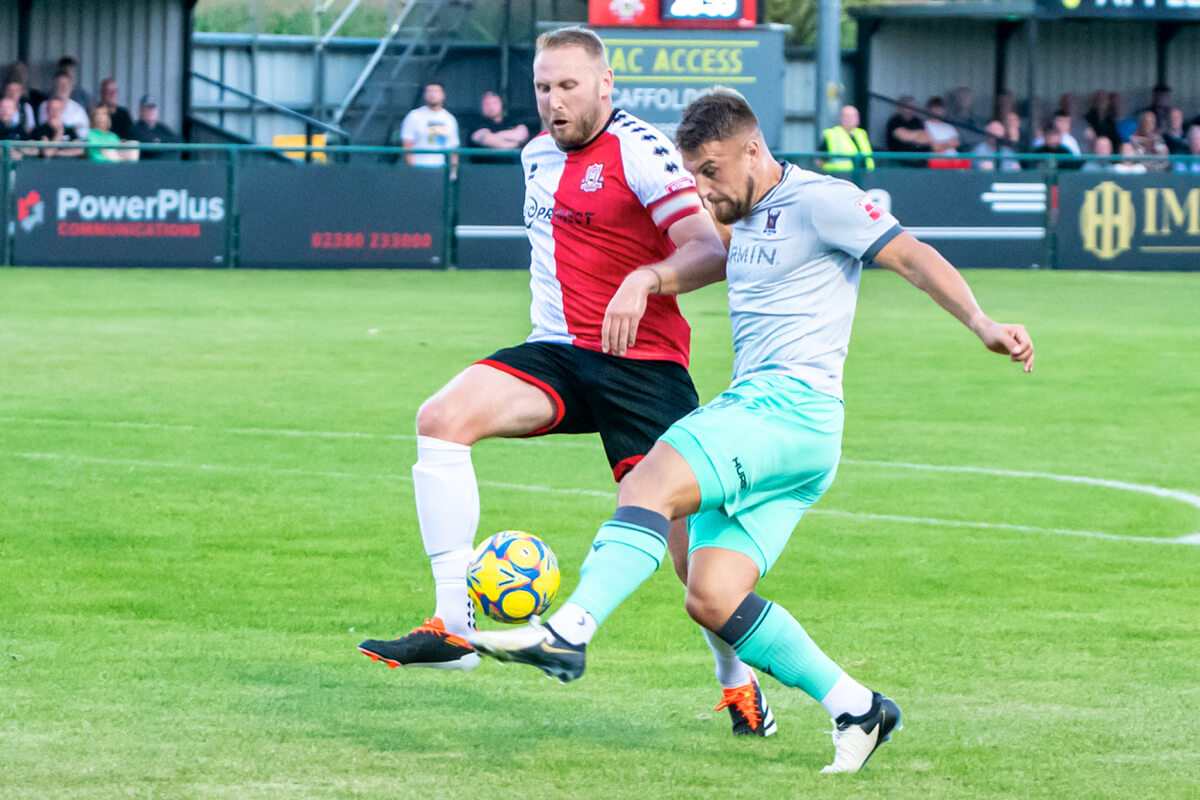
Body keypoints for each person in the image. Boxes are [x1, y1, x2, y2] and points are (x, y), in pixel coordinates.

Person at [468, 88, 1035, 774]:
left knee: (650, 478)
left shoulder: (820, 199)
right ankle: (857, 707)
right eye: (694, 174)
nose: (702, 187)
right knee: (710, 595)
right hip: (784, 431)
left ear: (753, 151)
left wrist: (983, 323)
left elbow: (911, 256)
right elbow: (697, 253)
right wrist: (641, 277)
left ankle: (569, 630)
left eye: (711, 170)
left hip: (790, 407)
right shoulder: (743, 214)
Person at [356, 27, 776, 739]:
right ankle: (453, 628)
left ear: (605, 85)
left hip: (644, 369)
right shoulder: (533, 154)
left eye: (569, 86)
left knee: (693, 564)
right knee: (442, 417)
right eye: (544, 88)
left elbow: (709, 250)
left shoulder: (642, 153)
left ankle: (739, 686)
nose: (554, 101)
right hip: (558, 353)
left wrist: (645, 279)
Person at [398, 83, 460, 169]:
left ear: (443, 95)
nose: (432, 94)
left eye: (436, 91)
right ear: (424, 95)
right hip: (418, 169)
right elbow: (407, 146)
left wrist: (453, 173)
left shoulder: (449, 119)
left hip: (440, 169)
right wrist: (413, 170)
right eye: (429, 91)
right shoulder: (414, 116)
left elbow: (453, 150)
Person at [468, 90, 530, 162]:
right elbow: (486, 139)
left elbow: (521, 135)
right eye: (487, 104)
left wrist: (495, 135)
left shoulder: (512, 121)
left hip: (512, 168)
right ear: (482, 106)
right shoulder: (476, 124)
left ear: (501, 104)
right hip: (483, 168)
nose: (491, 106)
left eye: (494, 103)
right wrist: (513, 144)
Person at [819, 104, 873, 172]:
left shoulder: (861, 134)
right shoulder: (832, 135)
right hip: (841, 176)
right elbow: (819, 160)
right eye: (848, 116)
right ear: (841, 118)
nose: (851, 119)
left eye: (854, 116)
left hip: (864, 176)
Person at [37, 70, 89, 136]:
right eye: (59, 84)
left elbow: (83, 133)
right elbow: (46, 128)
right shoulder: (45, 105)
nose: (63, 88)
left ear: (71, 87)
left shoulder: (78, 109)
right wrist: (72, 128)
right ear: (54, 86)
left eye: (65, 84)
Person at [884, 95, 930, 166]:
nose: (909, 109)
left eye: (911, 106)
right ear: (899, 108)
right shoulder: (894, 121)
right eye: (906, 106)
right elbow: (903, 136)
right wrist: (917, 135)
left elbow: (926, 138)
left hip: (919, 161)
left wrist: (912, 135)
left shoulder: (917, 121)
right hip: (899, 161)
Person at [131, 95, 182, 159]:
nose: (151, 111)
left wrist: (159, 141)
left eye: (153, 107)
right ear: (141, 109)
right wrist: (164, 144)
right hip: (146, 167)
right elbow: (150, 149)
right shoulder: (136, 128)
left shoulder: (161, 127)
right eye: (148, 107)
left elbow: (178, 140)